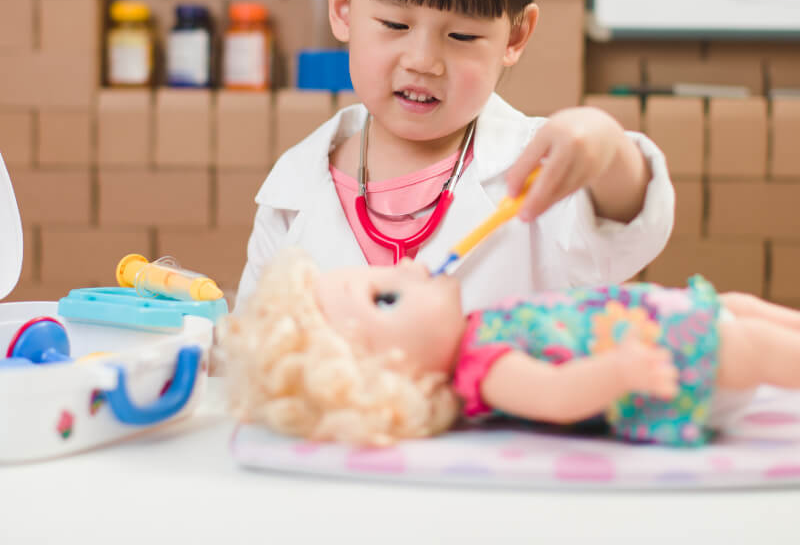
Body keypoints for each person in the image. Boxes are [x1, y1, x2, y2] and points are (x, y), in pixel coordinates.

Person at [234, 0, 675, 314]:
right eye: (394, 25)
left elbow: (627, 231)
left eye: (462, 35)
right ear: (343, 9)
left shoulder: (536, 172)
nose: (424, 61)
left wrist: (608, 148)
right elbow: (252, 350)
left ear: (516, 34)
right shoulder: (294, 191)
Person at [222, 249, 800, 448]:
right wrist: (620, 371)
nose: (410, 265)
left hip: (674, 323)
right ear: (392, 372)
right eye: (388, 298)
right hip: (677, 361)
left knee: (744, 307)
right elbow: (556, 396)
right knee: (756, 346)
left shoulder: (478, 330)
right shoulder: (482, 370)